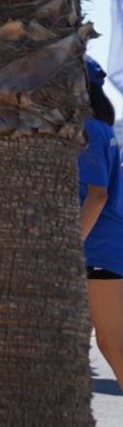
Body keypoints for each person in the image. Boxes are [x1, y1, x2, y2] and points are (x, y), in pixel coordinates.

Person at [79, 56, 123, 392]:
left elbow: (97, 195)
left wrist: (72, 244)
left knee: (112, 343)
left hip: (99, 253)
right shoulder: (102, 128)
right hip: (105, 249)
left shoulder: (90, 130)